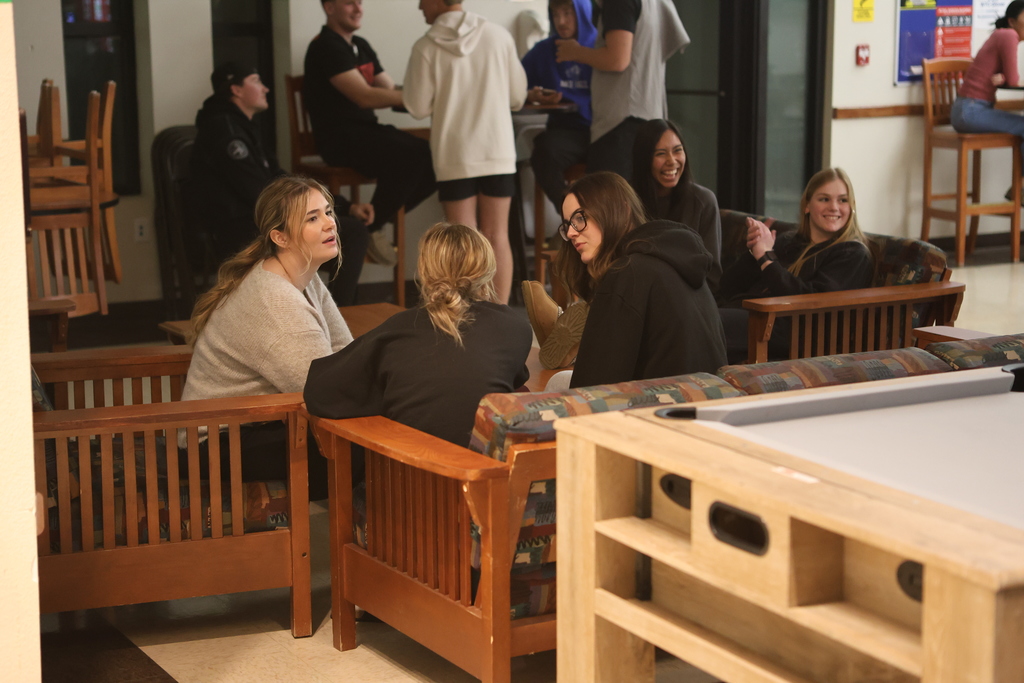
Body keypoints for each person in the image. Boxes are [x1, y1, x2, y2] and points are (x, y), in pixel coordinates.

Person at [181, 176, 354, 497]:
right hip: (218, 444)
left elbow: (345, 351)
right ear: (281, 237)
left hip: (262, 424)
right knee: (364, 453)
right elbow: (325, 391)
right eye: (312, 218)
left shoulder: (304, 276)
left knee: (367, 442)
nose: (330, 224)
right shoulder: (274, 300)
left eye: (328, 212)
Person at [304, 222, 531, 448]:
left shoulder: (395, 330)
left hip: (407, 477)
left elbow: (319, 392)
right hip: (486, 478)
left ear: (424, 271)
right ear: (488, 268)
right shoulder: (515, 327)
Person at [190, 61, 371, 305]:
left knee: (342, 227)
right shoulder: (226, 130)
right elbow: (258, 192)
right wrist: (313, 214)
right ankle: (338, 314)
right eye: (256, 81)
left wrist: (343, 206)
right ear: (236, 90)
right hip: (242, 228)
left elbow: (280, 180)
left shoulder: (242, 126)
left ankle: (330, 313)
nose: (265, 89)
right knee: (350, 233)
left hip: (260, 219)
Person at [547, 171, 726, 388]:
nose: (572, 233)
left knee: (556, 385)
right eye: (567, 225)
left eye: (579, 218)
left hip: (659, 411)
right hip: (711, 404)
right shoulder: (677, 260)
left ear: (621, 210)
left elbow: (593, 386)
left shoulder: (627, 273)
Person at [403, 0, 528, 304]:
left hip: (454, 154)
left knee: (462, 240)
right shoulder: (498, 36)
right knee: (497, 235)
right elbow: (517, 97)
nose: (420, 5)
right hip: (496, 149)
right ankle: (500, 316)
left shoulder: (425, 46)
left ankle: (469, 317)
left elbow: (416, 106)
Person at [303, 0, 437, 265]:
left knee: (434, 158)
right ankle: (371, 229)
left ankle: (371, 222)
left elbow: (389, 88)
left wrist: (426, 96)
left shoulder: (360, 45)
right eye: (349, 3)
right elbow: (364, 96)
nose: (358, 8)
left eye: (360, 2)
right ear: (329, 8)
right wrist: (419, 98)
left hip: (367, 132)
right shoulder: (324, 46)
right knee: (411, 155)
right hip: (339, 139)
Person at [716, 168, 873, 364]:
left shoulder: (852, 253)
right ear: (807, 205)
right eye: (824, 199)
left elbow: (811, 301)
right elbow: (728, 286)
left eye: (842, 200)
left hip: (796, 333)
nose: (834, 207)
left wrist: (766, 259)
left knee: (701, 324)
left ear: (851, 207)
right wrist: (754, 252)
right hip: (756, 316)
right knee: (687, 313)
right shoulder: (789, 241)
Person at [555, 0, 689, 181]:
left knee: (608, 204)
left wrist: (575, 52)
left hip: (620, 121)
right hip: (650, 114)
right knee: (637, 202)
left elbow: (617, 59)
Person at [522, 0, 597, 209]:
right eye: (556, 15)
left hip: (600, 129)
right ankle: (572, 216)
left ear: (582, 12)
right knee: (543, 152)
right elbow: (514, 84)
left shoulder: (600, 47)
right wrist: (532, 94)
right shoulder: (544, 50)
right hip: (564, 132)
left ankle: (607, 225)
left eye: (567, 13)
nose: (561, 21)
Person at [631, 118, 722, 291]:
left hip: (691, 300)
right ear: (644, 159)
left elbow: (712, 276)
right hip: (639, 295)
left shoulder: (703, 201)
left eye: (677, 151)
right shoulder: (627, 200)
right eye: (660, 153)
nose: (672, 161)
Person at [950, 0, 1024, 197]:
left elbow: (1007, 77)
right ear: (1012, 21)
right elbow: (1015, 80)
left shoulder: (1001, 35)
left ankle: (1020, 187)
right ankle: (1021, 187)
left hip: (968, 109)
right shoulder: (1009, 35)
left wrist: (1005, 77)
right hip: (972, 110)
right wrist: (1008, 77)